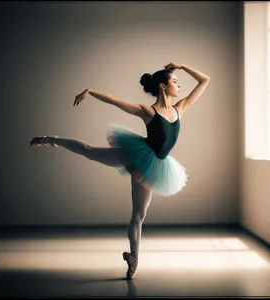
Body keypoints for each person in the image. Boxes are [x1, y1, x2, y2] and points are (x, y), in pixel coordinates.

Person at [29, 62, 210, 280]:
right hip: (136, 154)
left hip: (155, 165)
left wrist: (181, 66)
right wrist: (92, 91)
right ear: (163, 86)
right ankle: (51, 140)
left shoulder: (180, 108)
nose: (179, 85)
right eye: (175, 81)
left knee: (139, 215)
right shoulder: (148, 112)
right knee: (89, 151)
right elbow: (117, 103)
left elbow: (204, 80)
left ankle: (133, 258)